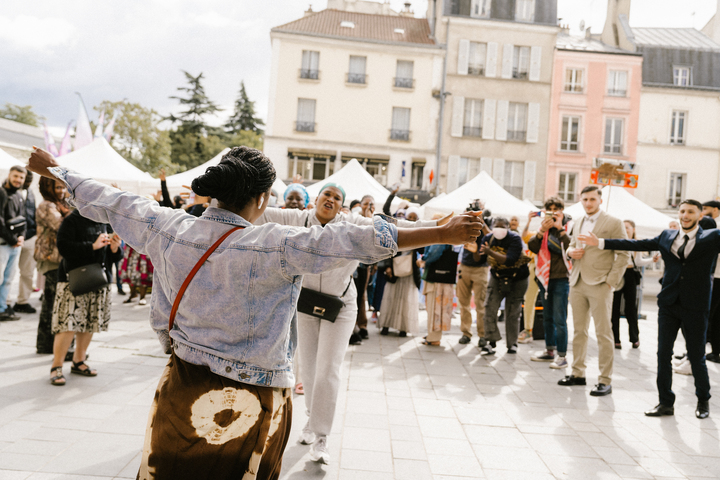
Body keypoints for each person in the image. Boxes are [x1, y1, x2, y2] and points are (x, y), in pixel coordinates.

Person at [28, 146, 482, 478]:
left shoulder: (168, 227)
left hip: (181, 383)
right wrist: (439, 231)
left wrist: (56, 168)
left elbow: (114, 201)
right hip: (252, 398)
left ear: (216, 193)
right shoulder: (273, 245)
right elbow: (350, 240)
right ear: (263, 198)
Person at [255, 184, 443, 464]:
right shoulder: (296, 219)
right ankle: (310, 422)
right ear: (315, 200)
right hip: (306, 303)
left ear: (342, 206)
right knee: (308, 368)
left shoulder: (352, 223)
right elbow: (257, 213)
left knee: (328, 369)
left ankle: (321, 436)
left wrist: (435, 225)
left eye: (337, 197)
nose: (330, 199)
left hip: (341, 305)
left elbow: (394, 226)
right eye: (326, 195)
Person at [580, 200, 716, 419]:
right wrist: (601, 242)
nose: (685, 215)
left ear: (699, 215)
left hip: (696, 305)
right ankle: (665, 403)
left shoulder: (712, 237)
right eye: (682, 211)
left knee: (696, 355)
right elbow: (636, 244)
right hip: (669, 304)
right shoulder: (666, 236)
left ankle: (703, 400)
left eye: (691, 212)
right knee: (663, 354)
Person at [559, 186, 629, 397]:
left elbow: (624, 253)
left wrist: (611, 282)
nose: (588, 203)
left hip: (600, 284)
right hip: (578, 281)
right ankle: (578, 373)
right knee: (579, 331)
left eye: (592, 199)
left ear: (599, 200)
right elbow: (571, 245)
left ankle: (604, 380)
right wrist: (571, 252)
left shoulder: (614, 222)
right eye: (585, 199)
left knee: (603, 333)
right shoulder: (578, 221)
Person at [49, 209, 123, 386]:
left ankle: (78, 361)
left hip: (97, 279)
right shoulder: (72, 220)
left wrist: (114, 249)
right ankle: (56, 366)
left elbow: (112, 257)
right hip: (73, 279)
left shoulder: (103, 221)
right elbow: (63, 247)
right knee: (68, 324)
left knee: (90, 321)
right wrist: (92, 246)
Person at [528, 198, 571, 369]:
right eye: (550, 209)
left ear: (561, 210)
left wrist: (560, 228)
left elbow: (571, 248)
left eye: (556, 209)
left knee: (560, 319)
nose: (553, 212)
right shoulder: (544, 229)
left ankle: (562, 355)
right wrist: (541, 231)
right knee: (547, 317)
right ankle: (549, 350)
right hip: (545, 278)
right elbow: (532, 246)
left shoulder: (568, 226)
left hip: (561, 278)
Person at [478, 217, 530, 355]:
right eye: (496, 226)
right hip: (497, 277)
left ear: (508, 228)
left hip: (518, 278)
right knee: (489, 307)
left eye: (502, 226)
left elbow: (509, 260)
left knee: (513, 312)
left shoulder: (515, 239)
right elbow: (480, 259)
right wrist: (474, 250)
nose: (499, 229)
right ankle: (491, 341)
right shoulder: (488, 238)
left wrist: (490, 252)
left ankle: (512, 344)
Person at [34, 176, 71, 354]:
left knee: (53, 302)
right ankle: (45, 344)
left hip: (58, 259)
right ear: (48, 187)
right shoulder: (46, 206)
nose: (61, 191)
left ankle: (47, 345)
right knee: (51, 303)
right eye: (57, 188)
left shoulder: (59, 205)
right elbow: (63, 225)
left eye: (63, 187)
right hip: (51, 259)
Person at [610, 220, 656, 350]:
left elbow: (638, 262)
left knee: (631, 308)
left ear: (633, 229)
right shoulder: (616, 242)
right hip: (617, 274)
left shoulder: (637, 243)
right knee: (615, 307)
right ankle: (615, 338)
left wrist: (652, 260)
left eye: (627, 227)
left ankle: (634, 338)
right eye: (623, 227)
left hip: (630, 274)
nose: (625, 230)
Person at [457, 200, 490, 347]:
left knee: (480, 304)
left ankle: (482, 335)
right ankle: (466, 333)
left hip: (481, 268)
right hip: (465, 266)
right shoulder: (466, 223)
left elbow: (491, 237)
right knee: (464, 303)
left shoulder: (488, 222)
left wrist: (482, 223)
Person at [0, 165, 28, 321]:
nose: (18, 180)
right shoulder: (1, 193)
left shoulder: (19, 195)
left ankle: (2, 308)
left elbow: (22, 218)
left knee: (8, 279)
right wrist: (13, 240)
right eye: (15, 176)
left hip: (16, 245)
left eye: (21, 177)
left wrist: (21, 237)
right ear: (9, 175)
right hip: (3, 244)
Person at [420, 242, 459, 346]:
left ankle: (433, 337)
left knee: (434, 307)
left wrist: (424, 260)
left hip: (436, 277)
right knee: (435, 306)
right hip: (440, 276)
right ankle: (432, 334)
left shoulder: (440, 235)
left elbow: (435, 252)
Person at [14, 171, 38, 314]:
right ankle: (4, 303)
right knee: (5, 273)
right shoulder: (7, 192)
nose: (27, 181)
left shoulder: (30, 193)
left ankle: (22, 301)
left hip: (30, 237)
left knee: (27, 273)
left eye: (29, 178)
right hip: (13, 239)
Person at [702, 200, 720, 364]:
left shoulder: (714, 227)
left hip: (716, 277)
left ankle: (697, 352)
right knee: (714, 316)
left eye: (705, 209)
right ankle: (715, 351)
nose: (703, 212)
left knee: (707, 314)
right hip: (715, 276)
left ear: (715, 210)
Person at [518, 210, 540, 344]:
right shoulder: (537, 234)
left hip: (552, 269)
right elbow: (524, 236)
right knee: (529, 300)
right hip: (534, 267)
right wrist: (529, 221)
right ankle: (528, 330)